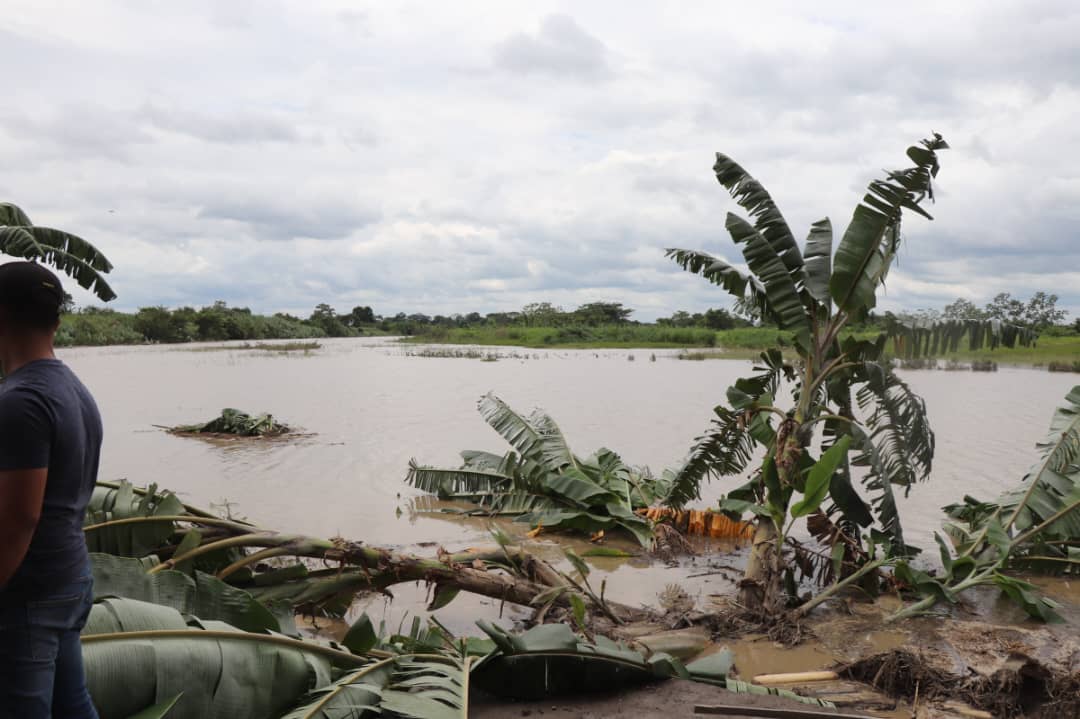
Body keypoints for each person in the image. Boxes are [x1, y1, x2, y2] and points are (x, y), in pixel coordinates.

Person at [0, 261, 101, 718]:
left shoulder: (20, 402)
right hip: (70, 575)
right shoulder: (73, 389)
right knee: (71, 703)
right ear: (57, 320)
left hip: (30, 589)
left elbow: (20, 519)